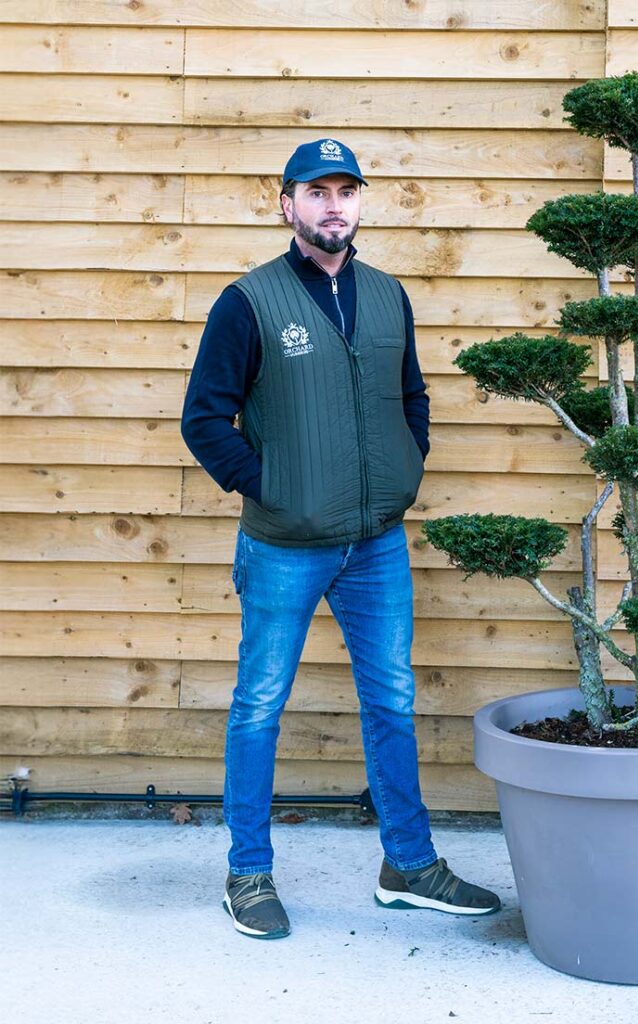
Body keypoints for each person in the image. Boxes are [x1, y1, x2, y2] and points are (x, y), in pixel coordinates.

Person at [180, 138, 500, 940]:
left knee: (391, 700)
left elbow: (413, 397)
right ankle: (247, 874)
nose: (332, 206)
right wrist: (274, 487)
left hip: (377, 545)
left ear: (360, 204)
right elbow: (202, 421)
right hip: (285, 545)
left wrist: (405, 471)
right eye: (315, 191)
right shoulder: (247, 303)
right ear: (284, 203)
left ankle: (409, 866)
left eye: (345, 191)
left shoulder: (389, 296)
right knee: (259, 707)